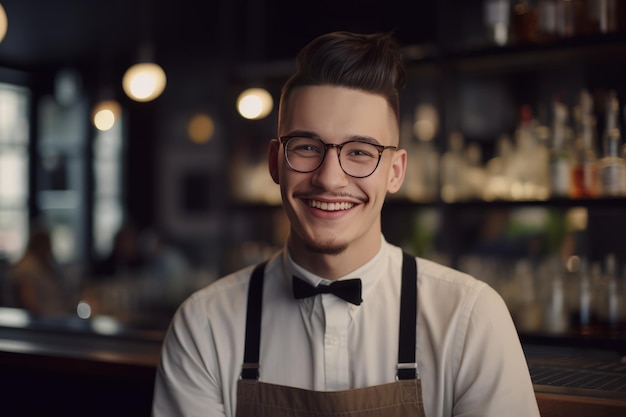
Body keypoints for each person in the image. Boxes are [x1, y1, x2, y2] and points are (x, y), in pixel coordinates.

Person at [153, 31, 541, 417]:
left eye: (359, 152)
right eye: (306, 147)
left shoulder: (470, 320)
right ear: (275, 162)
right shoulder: (203, 327)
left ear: (395, 172)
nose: (330, 178)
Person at [8, 225, 72, 316]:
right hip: (41, 320)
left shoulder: (43, 264)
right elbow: (29, 302)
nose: (49, 249)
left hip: (54, 316)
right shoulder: (27, 268)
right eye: (47, 244)